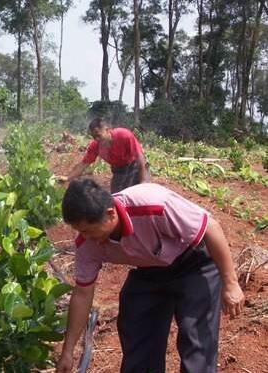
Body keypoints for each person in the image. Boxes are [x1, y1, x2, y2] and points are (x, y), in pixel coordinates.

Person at [56, 179, 245, 373]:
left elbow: (210, 227)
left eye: (89, 230)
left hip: (193, 264)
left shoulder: (153, 204)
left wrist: (231, 283)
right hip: (150, 270)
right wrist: (68, 351)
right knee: (138, 333)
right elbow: (82, 294)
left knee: (195, 339)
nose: (85, 237)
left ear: (110, 214)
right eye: (80, 231)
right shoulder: (87, 243)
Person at [66, 118, 149, 193]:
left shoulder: (123, 135)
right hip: (119, 171)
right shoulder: (95, 146)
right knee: (117, 198)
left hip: (135, 166)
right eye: (94, 137)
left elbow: (140, 157)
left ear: (107, 130)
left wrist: (143, 181)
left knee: (140, 195)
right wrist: (67, 178)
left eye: (98, 135)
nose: (97, 139)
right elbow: (83, 164)